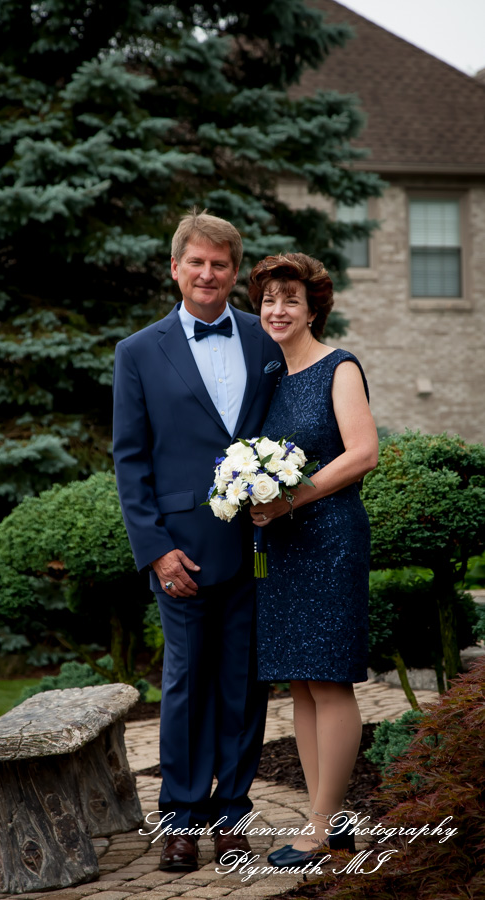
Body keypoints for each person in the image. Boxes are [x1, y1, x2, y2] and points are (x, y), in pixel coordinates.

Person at [112, 211, 284, 872]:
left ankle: (232, 816)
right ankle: (181, 817)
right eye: (197, 263)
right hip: (179, 550)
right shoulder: (138, 352)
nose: (208, 274)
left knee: (242, 683)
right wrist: (155, 549)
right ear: (176, 268)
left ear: (234, 274)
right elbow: (130, 460)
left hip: (258, 546)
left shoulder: (263, 342)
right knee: (184, 683)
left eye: (221, 265)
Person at [247, 252, 378, 867]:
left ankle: (325, 826)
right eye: (270, 299)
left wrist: (289, 498)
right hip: (284, 544)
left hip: (329, 540)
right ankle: (326, 819)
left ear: (312, 307)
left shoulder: (338, 367)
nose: (278, 309)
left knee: (328, 679)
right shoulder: (273, 378)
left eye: (290, 299)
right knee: (301, 682)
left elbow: (362, 453)